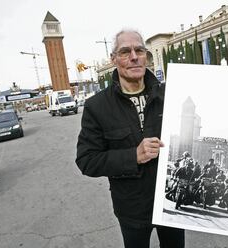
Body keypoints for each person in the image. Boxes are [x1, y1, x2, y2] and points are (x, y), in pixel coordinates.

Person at [76, 29, 184, 248]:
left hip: (170, 204)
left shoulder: (171, 96)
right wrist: (133, 156)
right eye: (125, 51)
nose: (134, 57)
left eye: (139, 50)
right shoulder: (97, 106)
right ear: (114, 59)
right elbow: (86, 160)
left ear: (146, 55)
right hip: (132, 211)